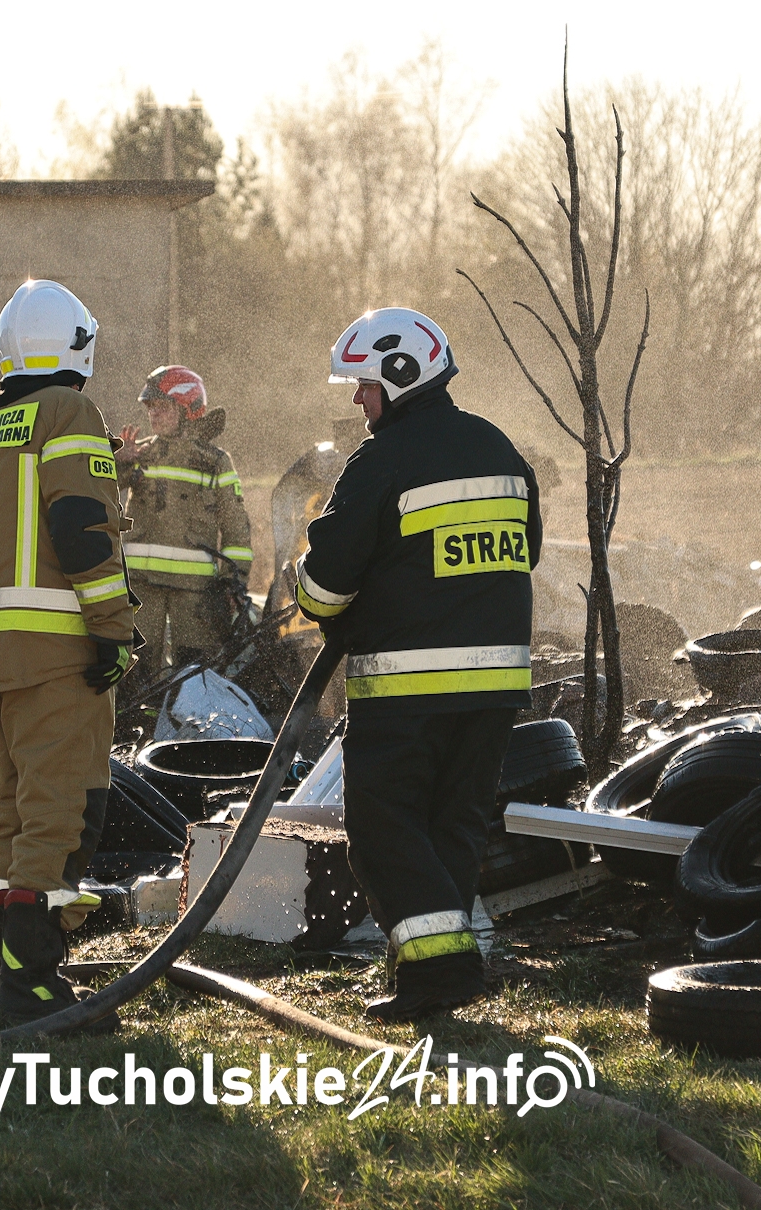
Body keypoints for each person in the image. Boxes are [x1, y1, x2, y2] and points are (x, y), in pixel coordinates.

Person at [293, 307, 541, 1021]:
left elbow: (325, 587)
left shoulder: (382, 462)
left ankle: (442, 972)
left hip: (408, 687)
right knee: (452, 826)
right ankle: (428, 972)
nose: (356, 398)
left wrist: (314, 584)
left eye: (364, 384)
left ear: (401, 377)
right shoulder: (497, 447)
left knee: (384, 830)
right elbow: (525, 546)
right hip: (494, 688)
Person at [0, 279, 135, 1024]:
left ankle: (2, 983)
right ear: (78, 347)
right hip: (60, 653)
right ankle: (32, 985)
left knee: (10, 814)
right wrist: (112, 626)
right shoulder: (71, 411)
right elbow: (81, 524)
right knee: (61, 811)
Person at [115, 365, 253, 672]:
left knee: (196, 673)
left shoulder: (214, 461)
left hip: (195, 592)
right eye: (150, 408)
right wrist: (118, 460)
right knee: (134, 672)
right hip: (141, 587)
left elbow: (236, 527)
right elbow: (96, 486)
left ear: (188, 409)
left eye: (162, 407)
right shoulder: (141, 454)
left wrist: (234, 581)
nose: (153, 415)